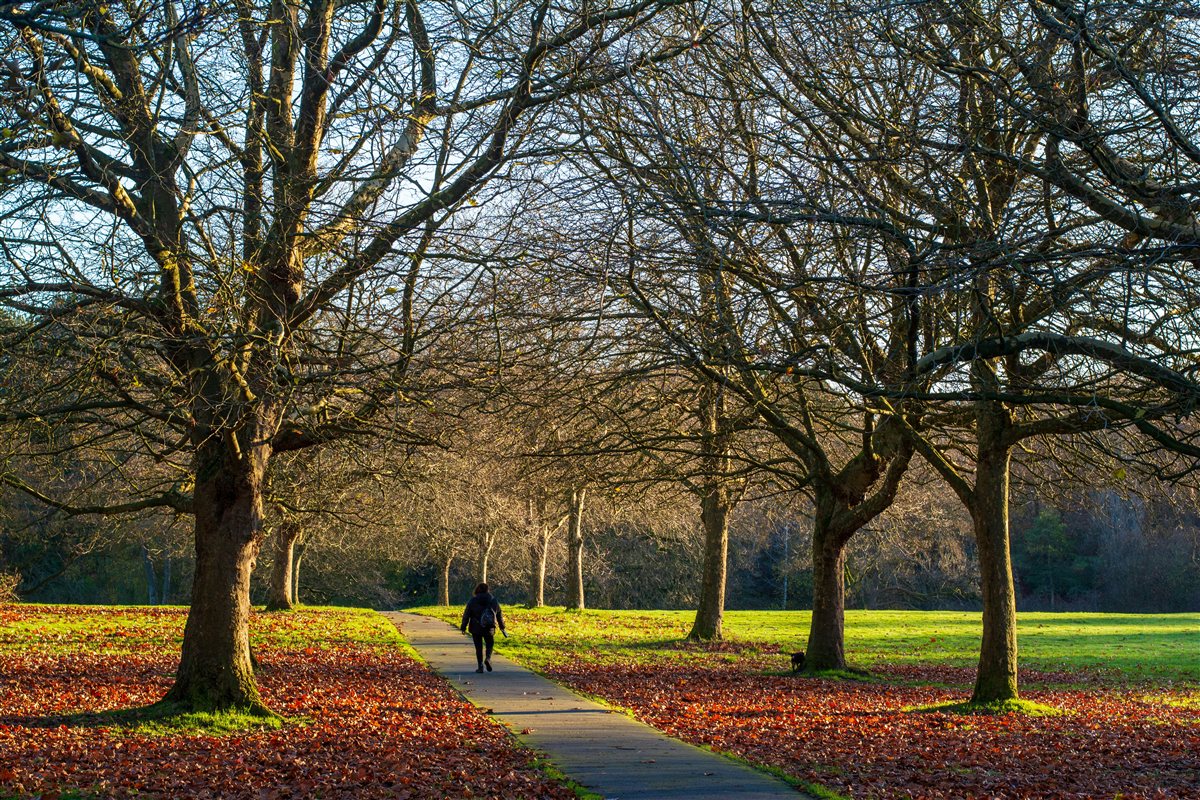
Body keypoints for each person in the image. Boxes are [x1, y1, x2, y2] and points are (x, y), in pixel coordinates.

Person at [460, 582, 506, 673]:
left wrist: (463, 627)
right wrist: (502, 627)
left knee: (478, 647)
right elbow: (499, 614)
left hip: (476, 627)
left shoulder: (473, 600)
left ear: (477, 590)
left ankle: (480, 666)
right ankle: (488, 659)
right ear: (487, 590)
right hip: (489, 627)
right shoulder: (493, 600)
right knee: (490, 643)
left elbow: (466, 614)